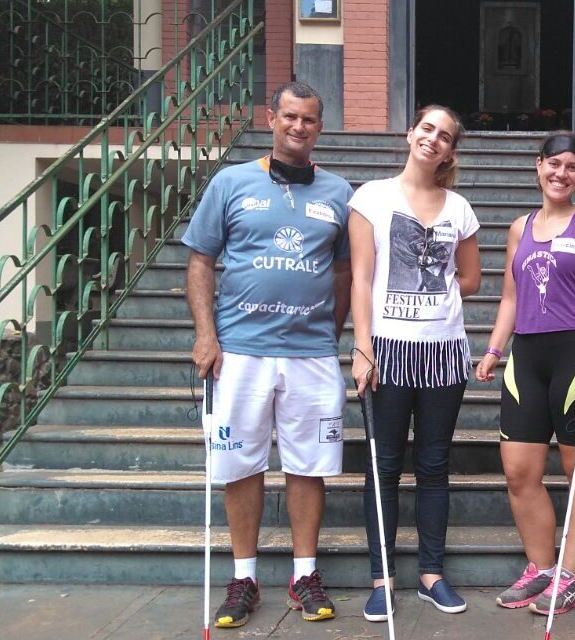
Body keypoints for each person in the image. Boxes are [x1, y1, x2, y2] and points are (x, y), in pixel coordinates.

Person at [184, 81, 352, 629]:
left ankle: (304, 574)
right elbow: (202, 261)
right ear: (271, 119)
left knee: (309, 466)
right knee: (241, 464)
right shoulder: (231, 182)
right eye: (289, 117)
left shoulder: (339, 193)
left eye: (308, 119)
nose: (297, 126)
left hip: (310, 353)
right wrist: (206, 335)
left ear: (318, 127)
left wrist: (334, 328)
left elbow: (347, 271)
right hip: (240, 350)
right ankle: (245, 578)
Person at [347, 104, 481, 622]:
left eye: (445, 136)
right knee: (382, 466)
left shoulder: (459, 208)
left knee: (433, 464)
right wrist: (363, 348)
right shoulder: (371, 197)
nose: (434, 139)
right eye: (427, 128)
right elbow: (361, 277)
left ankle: (430, 574)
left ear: (450, 150)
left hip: (443, 350)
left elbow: (470, 279)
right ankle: (382, 579)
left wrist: (435, 275)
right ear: (411, 134)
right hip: (387, 349)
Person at [475, 132, 575, 615]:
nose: (561, 174)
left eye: (572, 167)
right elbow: (511, 297)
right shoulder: (521, 227)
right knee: (519, 472)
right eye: (553, 164)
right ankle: (541, 569)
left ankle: (572, 576)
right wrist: (495, 349)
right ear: (538, 166)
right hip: (527, 358)